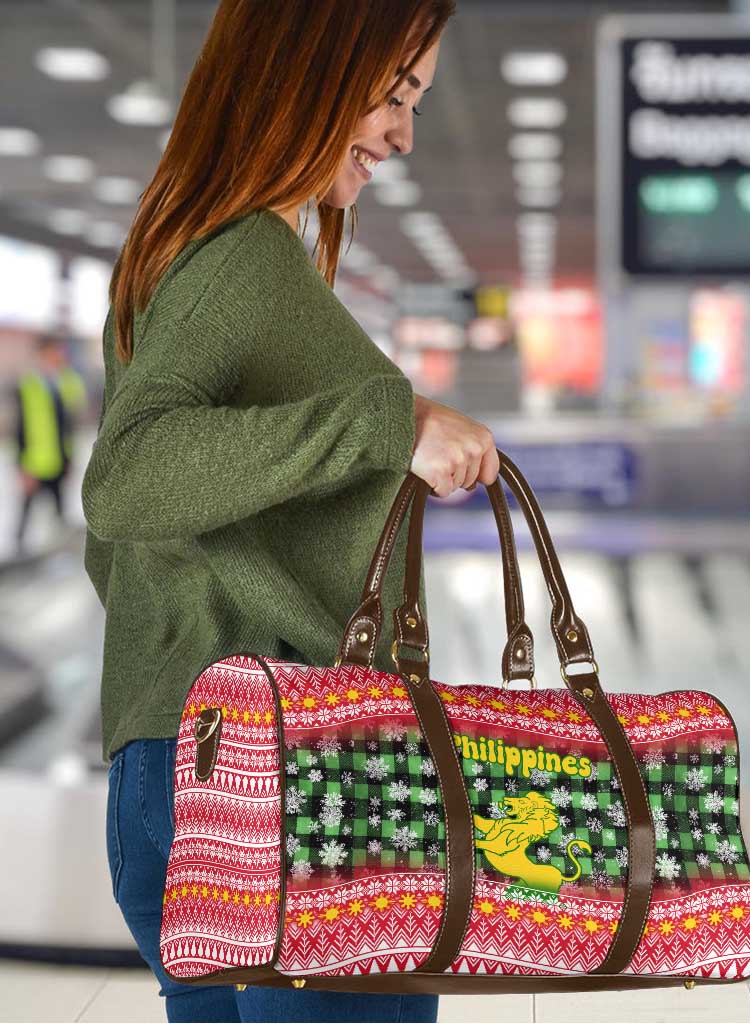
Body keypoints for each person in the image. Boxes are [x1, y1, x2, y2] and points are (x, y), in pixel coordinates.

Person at [81, 3, 497, 1021]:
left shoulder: (183, 251)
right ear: (307, 65)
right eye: (395, 94)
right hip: (295, 777)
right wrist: (386, 423)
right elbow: (126, 477)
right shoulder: (240, 261)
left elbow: (132, 540)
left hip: (183, 760)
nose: (401, 133)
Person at [11, 331, 85, 556]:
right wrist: (22, 466)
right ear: (43, 353)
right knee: (26, 512)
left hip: (60, 459)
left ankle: (59, 554)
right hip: (35, 462)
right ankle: (18, 554)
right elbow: (20, 428)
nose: (59, 355)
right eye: (54, 351)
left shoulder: (65, 381)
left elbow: (71, 419)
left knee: (60, 511)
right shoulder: (28, 385)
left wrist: (70, 458)